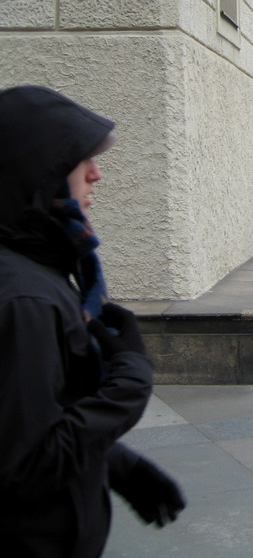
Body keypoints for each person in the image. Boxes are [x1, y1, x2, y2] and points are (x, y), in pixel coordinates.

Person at [0, 86, 186, 557]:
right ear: (37, 175)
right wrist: (130, 381)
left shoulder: (35, 268)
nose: (96, 175)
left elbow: (30, 417)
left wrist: (114, 464)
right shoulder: (24, 299)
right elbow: (26, 465)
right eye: (79, 161)